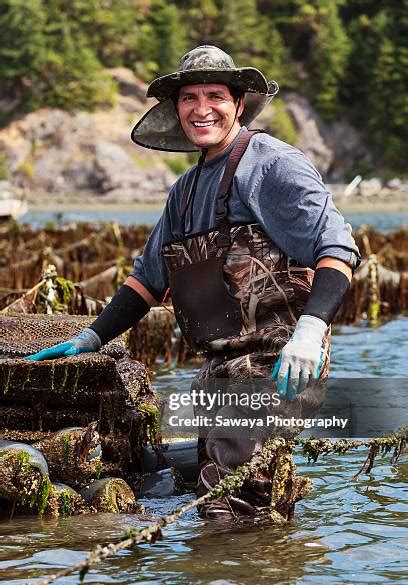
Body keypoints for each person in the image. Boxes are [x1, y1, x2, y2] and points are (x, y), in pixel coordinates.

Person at [27, 46, 360, 521]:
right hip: (218, 368)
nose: (202, 108)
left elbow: (337, 249)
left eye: (215, 95)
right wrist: (91, 336)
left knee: (231, 506)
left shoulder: (271, 162)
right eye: (189, 97)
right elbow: (146, 281)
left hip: (278, 362)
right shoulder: (182, 193)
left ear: (238, 104)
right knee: (206, 489)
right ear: (175, 108)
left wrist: (309, 333)